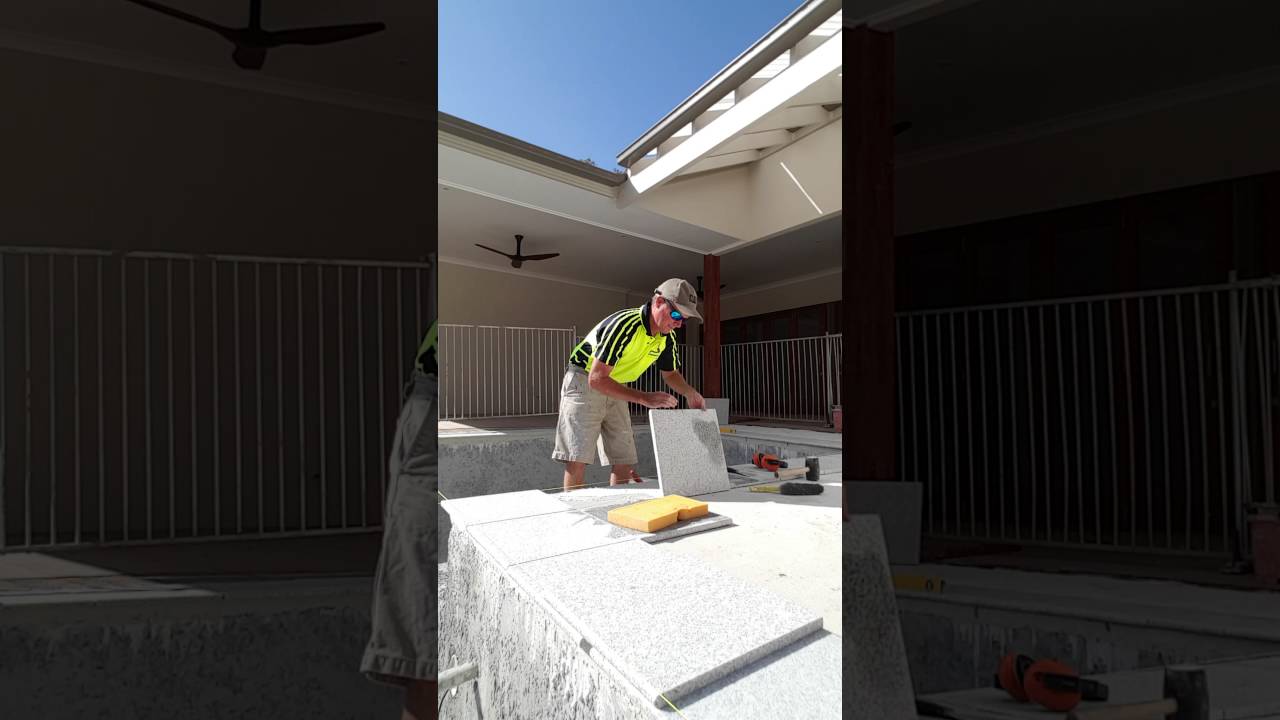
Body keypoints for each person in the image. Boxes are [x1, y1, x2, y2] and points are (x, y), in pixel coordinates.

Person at [553, 278, 706, 492]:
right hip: (583, 379)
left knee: (623, 457)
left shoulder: (666, 338)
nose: (679, 324)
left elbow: (671, 374)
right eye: (676, 315)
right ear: (659, 302)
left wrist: (690, 392)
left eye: (684, 319)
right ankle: (575, 517)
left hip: (615, 383)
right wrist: (644, 398)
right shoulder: (625, 324)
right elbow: (596, 379)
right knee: (577, 456)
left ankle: (621, 508)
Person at [360, 319, 438, 720]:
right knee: (423, 630)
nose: (668, 322)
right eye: (668, 313)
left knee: (425, 620)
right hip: (433, 408)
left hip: (433, 408)